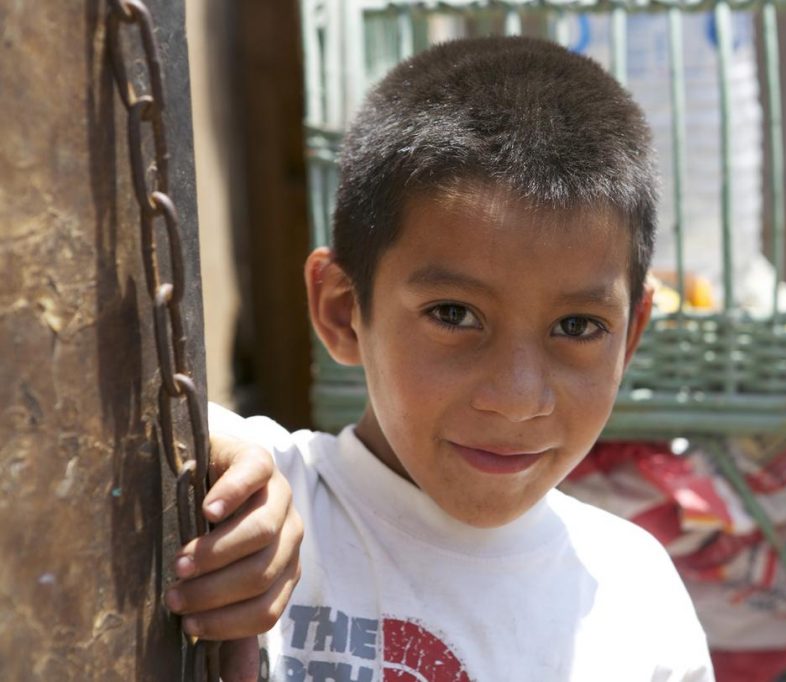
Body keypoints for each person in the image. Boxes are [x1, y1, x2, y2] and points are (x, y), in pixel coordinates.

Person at [206, 36, 713, 681]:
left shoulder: (636, 600)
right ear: (342, 310)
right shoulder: (267, 507)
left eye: (578, 326)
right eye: (453, 314)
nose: (517, 397)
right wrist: (209, 453)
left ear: (630, 337)